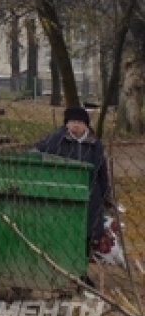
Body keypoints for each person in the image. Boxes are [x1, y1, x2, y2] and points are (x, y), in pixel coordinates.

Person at [34, 106, 113, 254]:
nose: (76, 125)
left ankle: (82, 268)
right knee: (64, 231)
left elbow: (102, 172)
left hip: (90, 192)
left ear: (86, 125)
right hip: (63, 190)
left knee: (87, 234)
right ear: (67, 124)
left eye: (80, 122)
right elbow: (36, 150)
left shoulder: (95, 144)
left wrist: (106, 195)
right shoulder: (56, 140)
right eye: (72, 121)